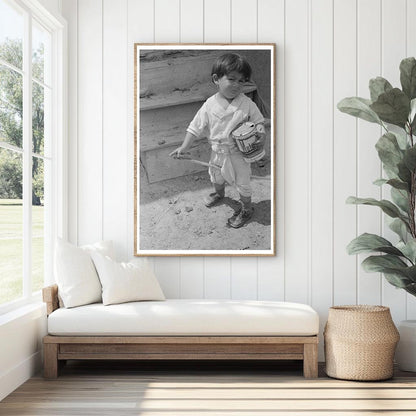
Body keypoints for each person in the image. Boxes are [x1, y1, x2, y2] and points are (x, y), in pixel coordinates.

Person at [169, 53, 266, 228]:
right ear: (216, 79)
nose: (237, 85)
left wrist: (260, 136)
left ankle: (246, 208)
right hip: (217, 152)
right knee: (216, 176)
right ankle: (219, 194)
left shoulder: (247, 104)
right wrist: (183, 147)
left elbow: (259, 122)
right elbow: (195, 127)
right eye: (232, 79)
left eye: (242, 81)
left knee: (242, 182)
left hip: (238, 155)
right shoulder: (209, 105)